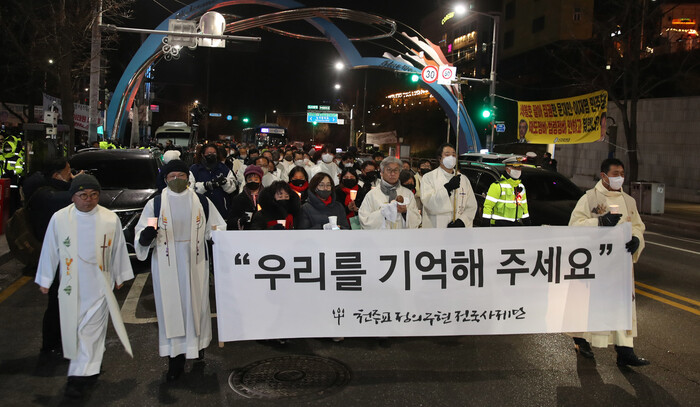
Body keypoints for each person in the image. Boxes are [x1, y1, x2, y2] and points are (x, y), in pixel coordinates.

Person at [35, 174, 134, 399]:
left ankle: (77, 377)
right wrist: (45, 278)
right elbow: (50, 249)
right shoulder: (60, 219)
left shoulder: (109, 219)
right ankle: (90, 367)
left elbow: (118, 248)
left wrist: (120, 275)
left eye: (93, 195)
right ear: (73, 197)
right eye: (82, 195)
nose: (88, 200)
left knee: (91, 330)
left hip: (100, 284)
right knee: (75, 329)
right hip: (71, 284)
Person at [134, 160, 226, 382]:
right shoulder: (155, 204)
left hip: (195, 262)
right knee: (171, 308)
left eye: (181, 175)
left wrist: (215, 238)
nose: (177, 179)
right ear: (165, 179)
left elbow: (218, 226)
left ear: (188, 178)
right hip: (167, 261)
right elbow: (143, 231)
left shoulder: (201, 201)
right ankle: (175, 360)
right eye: (172, 175)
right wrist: (145, 237)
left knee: (197, 306)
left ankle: (197, 349)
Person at [568, 157, 648, 367]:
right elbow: (575, 225)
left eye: (622, 174)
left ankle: (625, 351)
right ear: (603, 176)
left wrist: (637, 239)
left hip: (620, 267)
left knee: (622, 305)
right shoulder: (590, 198)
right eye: (615, 174)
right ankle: (582, 339)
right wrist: (599, 221)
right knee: (591, 305)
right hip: (597, 264)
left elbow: (639, 226)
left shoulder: (629, 201)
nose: (619, 178)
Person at [25, 159, 81, 368]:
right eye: (68, 172)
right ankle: (51, 346)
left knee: (60, 302)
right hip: (55, 254)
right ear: (56, 175)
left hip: (59, 253)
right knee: (57, 303)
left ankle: (56, 343)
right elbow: (71, 198)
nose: (70, 175)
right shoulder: (47, 196)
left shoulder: (44, 191)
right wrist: (77, 183)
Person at [421, 143, 477, 228]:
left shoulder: (463, 179)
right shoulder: (429, 178)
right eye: (447, 154)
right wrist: (447, 189)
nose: (451, 157)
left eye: (454, 155)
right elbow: (428, 203)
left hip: (459, 229)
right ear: (440, 159)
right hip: (437, 228)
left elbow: (472, 205)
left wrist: (462, 221)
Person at [359, 157, 421, 229]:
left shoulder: (408, 194)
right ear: (381, 172)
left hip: (400, 237)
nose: (392, 173)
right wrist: (383, 213)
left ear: (399, 173)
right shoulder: (372, 195)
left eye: (396, 170)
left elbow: (416, 220)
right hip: (380, 237)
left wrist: (405, 212)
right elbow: (364, 220)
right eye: (389, 170)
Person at [189, 144, 237, 217]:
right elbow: (190, 189)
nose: (211, 155)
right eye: (208, 153)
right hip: (200, 208)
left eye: (214, 153)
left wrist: (224, 182)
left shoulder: (223, 168)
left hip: (220, 209)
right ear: (202, 154)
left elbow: (232, 188)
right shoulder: (195, 169)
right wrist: (206, 186)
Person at [481, 157, 530, 227]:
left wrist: (527, 222)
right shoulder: (498, 186)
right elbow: (488, 206)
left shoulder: (521, 186)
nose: (518, 170)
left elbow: (524, 206)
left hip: (516, 224)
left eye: (519, 168)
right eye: (515, 168)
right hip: (499, 225)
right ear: (507, 169)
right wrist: (485, 224)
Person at [227, 165, 264, 230]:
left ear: (260, 181)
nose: (253, 181)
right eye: (250, 179)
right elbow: (230, 221)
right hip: (245, 233)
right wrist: (240, 220)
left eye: (256, 179)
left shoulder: (267, 198)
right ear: (246, 181)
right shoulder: (238, 199)